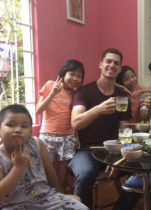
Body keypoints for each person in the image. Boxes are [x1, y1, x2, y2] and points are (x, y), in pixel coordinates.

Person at [69, 48, 140, 209]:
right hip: (87, 150)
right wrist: (98, 110)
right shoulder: (85, 91)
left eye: (116, 63)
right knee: (85, 174)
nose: (112, 65)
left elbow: (124, 131)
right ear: (100, 65)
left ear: (120, 69)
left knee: (143, 171)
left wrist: (117, 156)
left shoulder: (122, 95)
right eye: (108, 61)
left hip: (114, 149)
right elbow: (76, 123)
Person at [0, 104, 89, 210]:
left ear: (30, 132)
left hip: (46, 198)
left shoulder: (36, 144)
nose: (18, 130)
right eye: (10, 125)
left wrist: (58, 195)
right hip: (14, 206)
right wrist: (18, 167)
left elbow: (50, 171)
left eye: (24, 126)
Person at [36, 59, 84, 193]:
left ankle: (61, 202)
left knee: (62, 178)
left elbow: (74, 117)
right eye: (72, 74)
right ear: (63, 73)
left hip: (68, 138)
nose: (75, 78)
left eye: (79, 76)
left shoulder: (76, 94)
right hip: (47, 136)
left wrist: (76, 134)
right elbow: (38, 110)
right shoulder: (50, 85)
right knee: (46, 176)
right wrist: (52, 94)